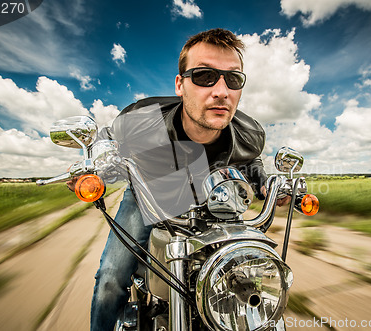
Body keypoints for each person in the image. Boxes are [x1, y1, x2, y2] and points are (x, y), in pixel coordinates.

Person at [89, 28, 289, 331]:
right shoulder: (142, 120)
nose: (221, 90)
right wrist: (94, 165)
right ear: (180, 84)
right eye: (205, 76)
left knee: (245, 278)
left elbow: (251, 161)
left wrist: (267, 185)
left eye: (233, 79)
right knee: (110, 278)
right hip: (148, 197)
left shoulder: (249, 134)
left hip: (210, 202)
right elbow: (106, 139)